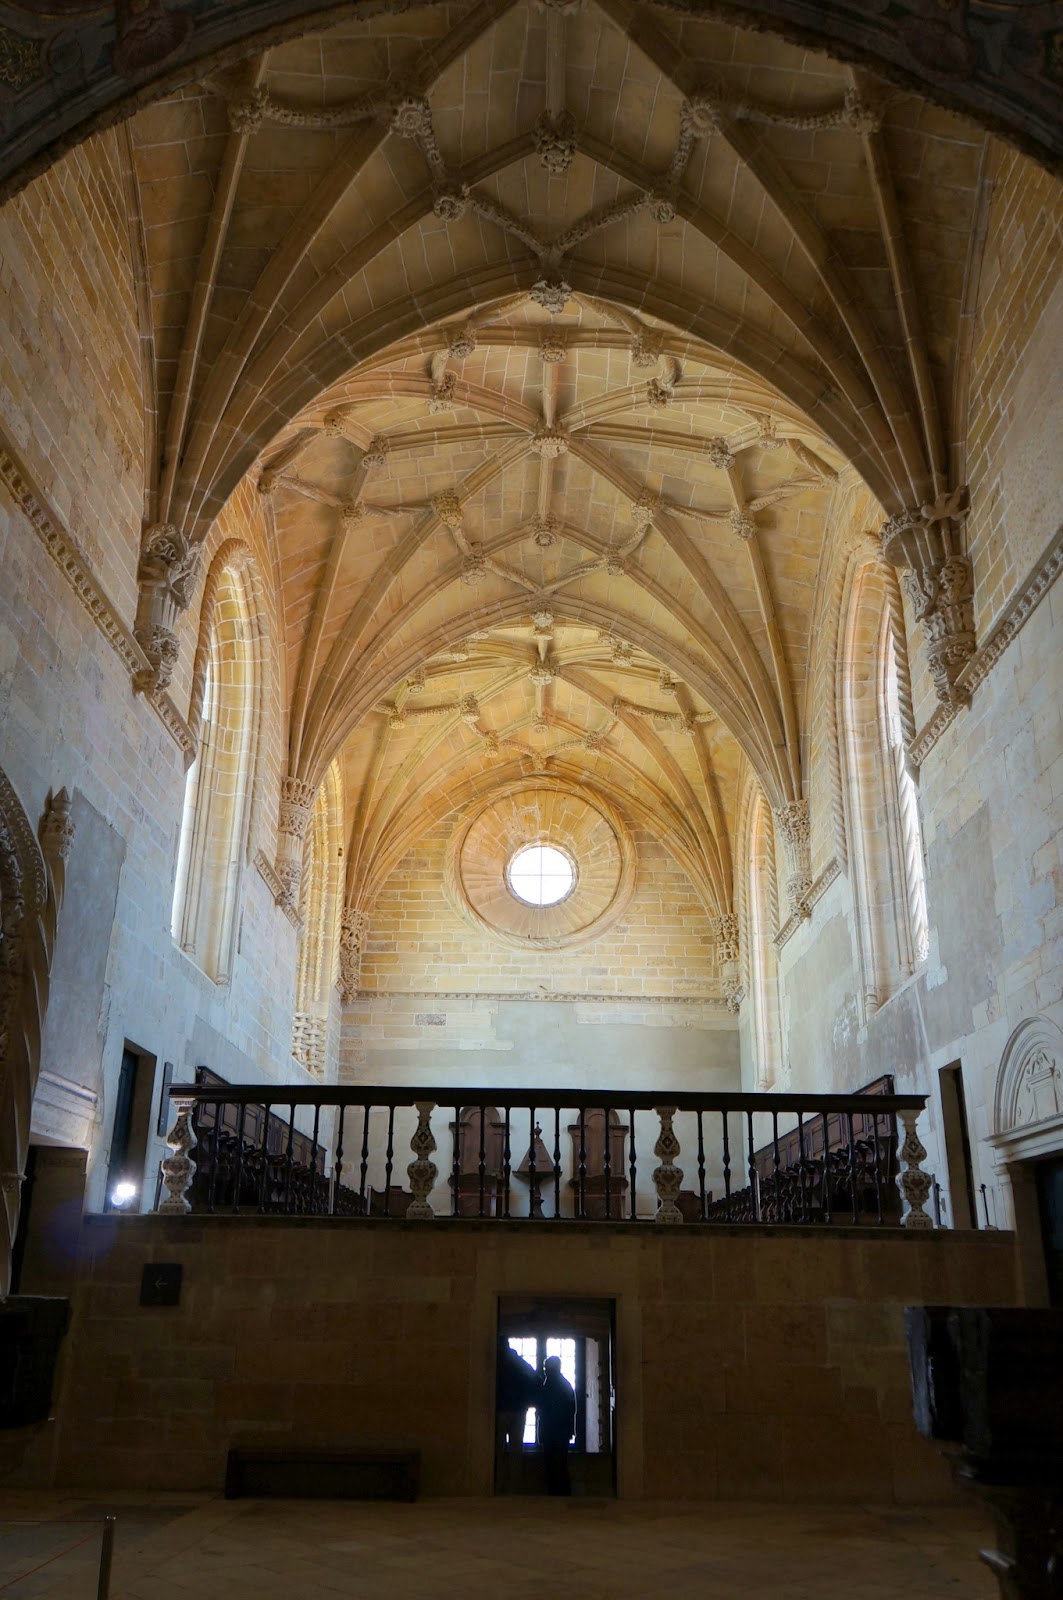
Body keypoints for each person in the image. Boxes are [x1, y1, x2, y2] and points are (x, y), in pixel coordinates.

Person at [495, 1339, 537, 1491]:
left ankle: (497, 1485)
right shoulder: (520, 1363)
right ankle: (515, 1487)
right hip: (519, 1411)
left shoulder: (497, 1363)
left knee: (497, 1451)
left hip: (500, 1411)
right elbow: (534, 1379)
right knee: (516, 1451)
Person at [537, 1354, 576, 1496]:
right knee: (560, 1463)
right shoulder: (565, 1385)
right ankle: (563, 1493)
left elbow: (543, 1410)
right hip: (561, 1431)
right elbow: (572, 1410)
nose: (545, 1370)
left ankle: (555, 1492)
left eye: (546, 1367)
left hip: (552, 1431)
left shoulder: (548, 1386)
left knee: (552, 1464)